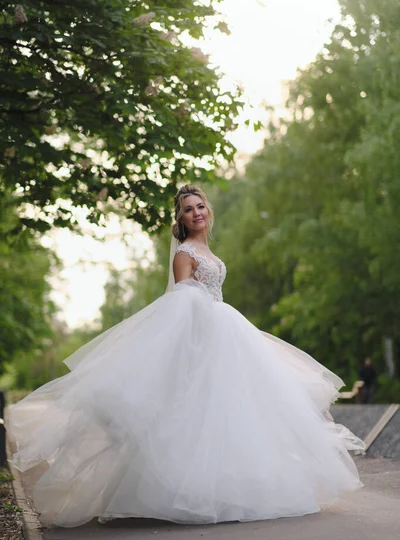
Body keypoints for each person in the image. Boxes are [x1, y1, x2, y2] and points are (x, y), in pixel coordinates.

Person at [8, 184, 364, 528]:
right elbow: (181, 305)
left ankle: (233, 489)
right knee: (197, 419)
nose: (196, 213)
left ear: (208, 210)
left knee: (234, 415)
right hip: (204, 338)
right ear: (181, 218)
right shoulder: (184, 254)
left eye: (200, 206)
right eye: (188, 209)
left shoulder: (209, 253)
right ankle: (175, 496)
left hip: (227, 335)